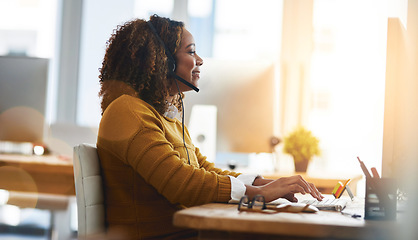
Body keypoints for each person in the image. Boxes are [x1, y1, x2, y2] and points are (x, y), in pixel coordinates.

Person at [97, 14, 323, 239]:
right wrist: (258, 193)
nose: (200, 60)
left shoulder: (166, 118)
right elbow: (181, 183)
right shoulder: (127, 112)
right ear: (165, 61)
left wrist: (265, 183)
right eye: (190, 51)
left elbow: (203, 170)